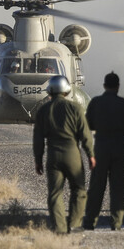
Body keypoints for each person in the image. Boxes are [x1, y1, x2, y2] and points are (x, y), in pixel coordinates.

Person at [32, 75, 96, 234]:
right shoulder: (76, 108)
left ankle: (59, 228)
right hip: (72, 153)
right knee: (79, 189)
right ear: (67, 90)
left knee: (55, 193)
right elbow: (85, 134)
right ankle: (74, 224)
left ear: (50, 91)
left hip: (53, 155)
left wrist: (38, 160)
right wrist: (90, 155)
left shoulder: (43, 110)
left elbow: (38, 138)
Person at [82, 72, 124, 230]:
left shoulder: (96, 102)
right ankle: (116, 222)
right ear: (118, 86)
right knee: (119, 187)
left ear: (104, 85)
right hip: (119, 147)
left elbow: (89, 123)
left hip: (100, 146)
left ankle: (90, 221)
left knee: (96, 186)